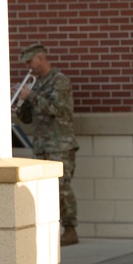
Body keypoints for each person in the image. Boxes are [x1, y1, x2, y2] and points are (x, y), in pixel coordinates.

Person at [17, 44, 80, 246]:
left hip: (60, 144)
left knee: (62, 188)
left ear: (41, 58)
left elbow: (56, 109)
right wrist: (21, 103)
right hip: (42, 145)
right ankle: (50, 228)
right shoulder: (36, 84)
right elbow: (27, 118)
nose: (28, 66)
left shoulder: (59, 80)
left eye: (30, 61)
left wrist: (31, 96)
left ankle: (70, 230)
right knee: (43, 190)